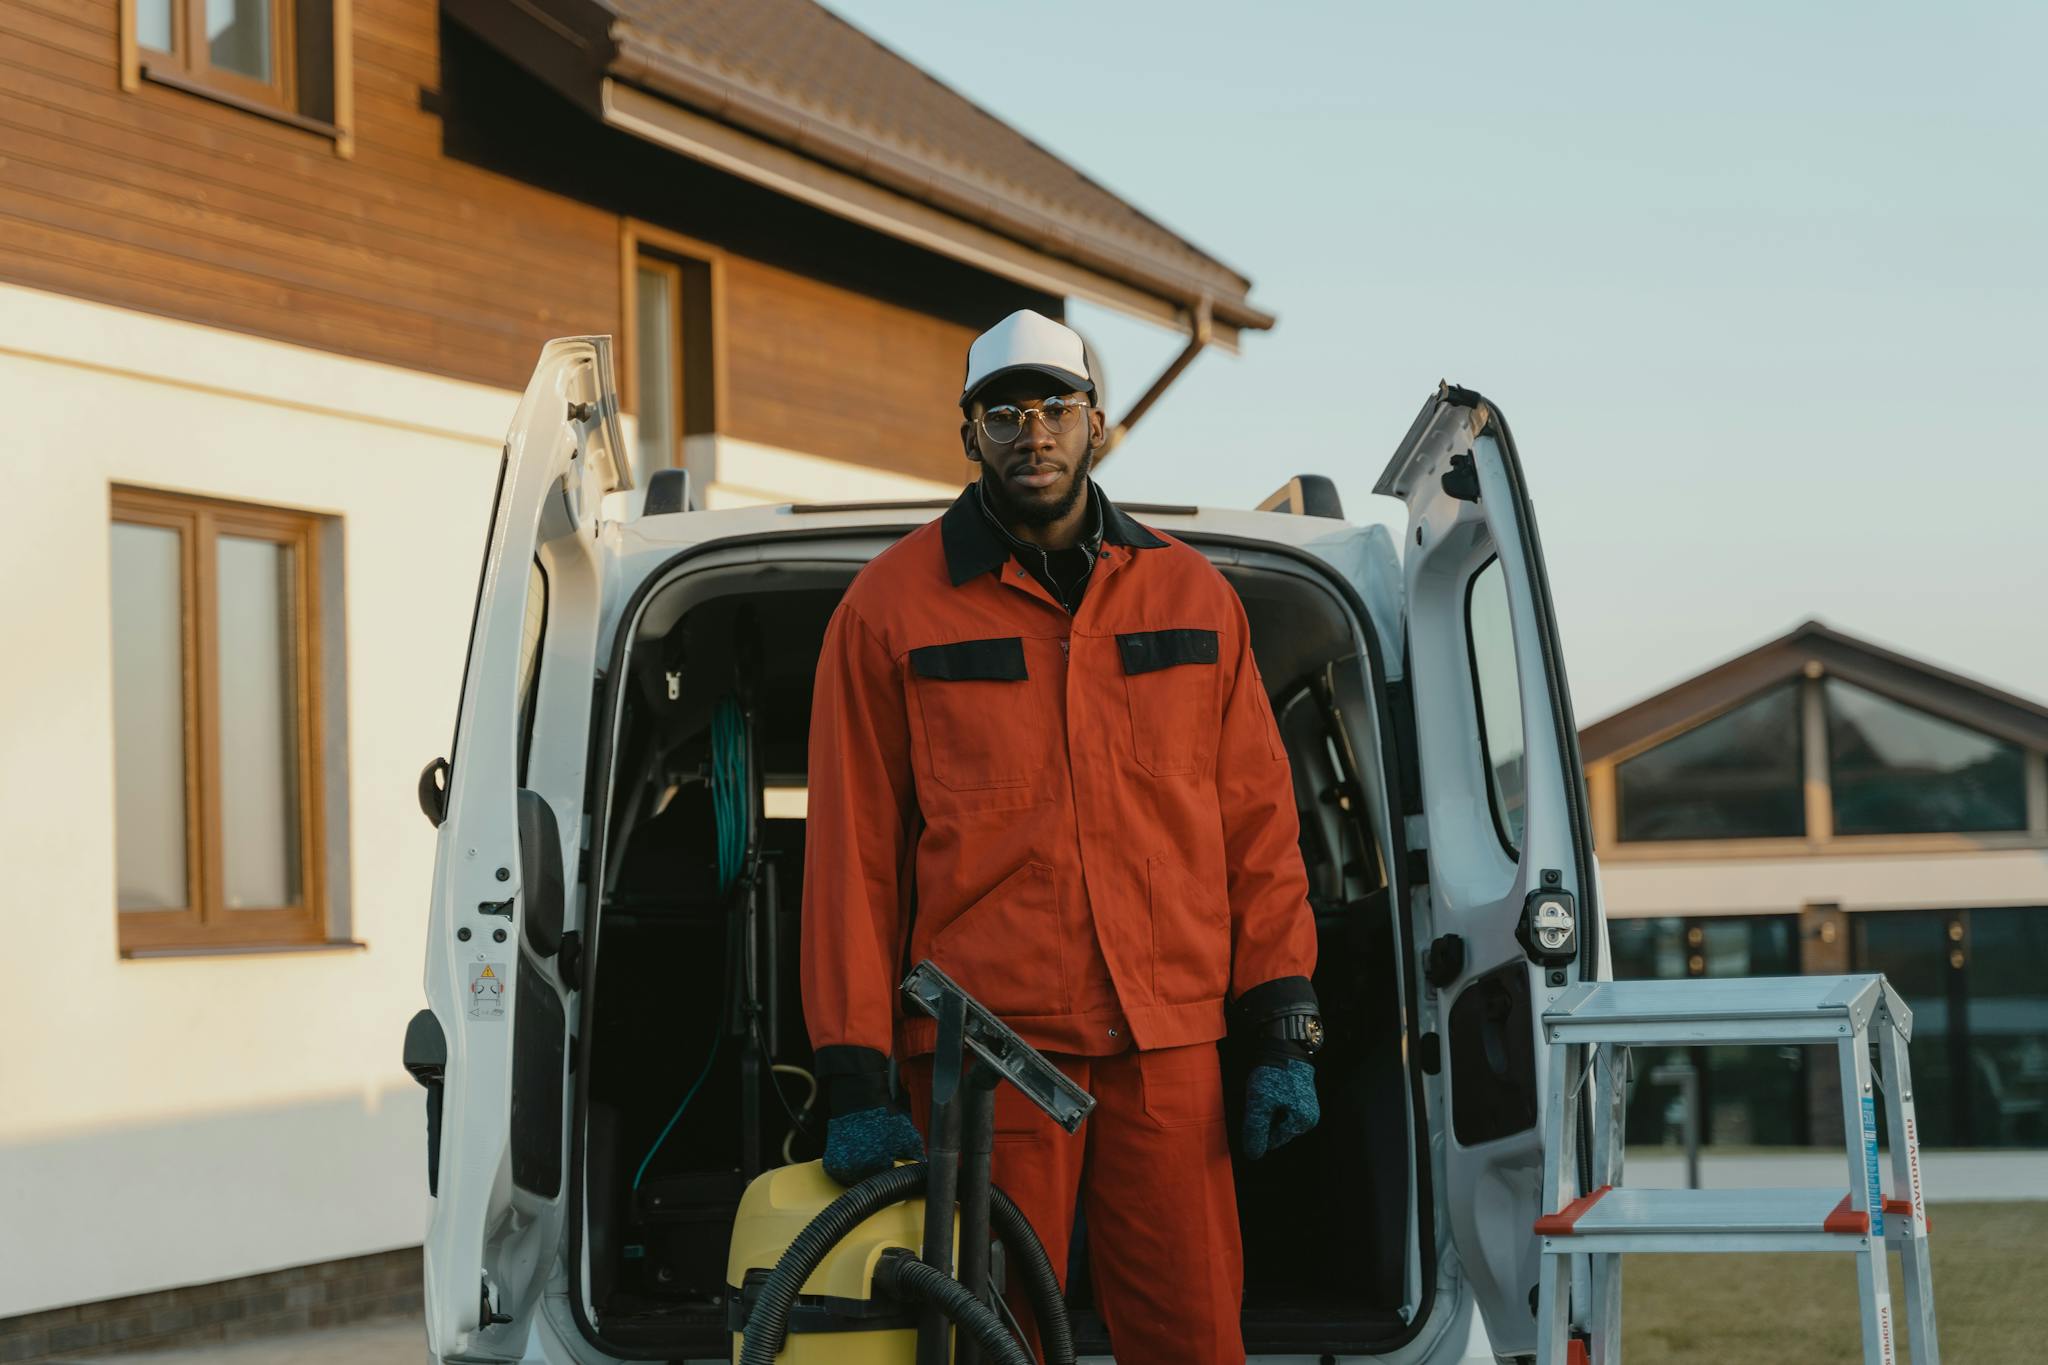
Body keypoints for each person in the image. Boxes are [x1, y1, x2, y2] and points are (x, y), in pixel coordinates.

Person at [800, 309, 1323, 1363]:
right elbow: (849, 862)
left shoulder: (1192, 596)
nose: (1030, 434)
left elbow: (1258, 830)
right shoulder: (888, 610)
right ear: (968, 435)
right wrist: (852, 1075)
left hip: (1166, 1044)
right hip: (985, 1053)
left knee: (1191, 1335)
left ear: (1099, 428)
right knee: (996, 1342)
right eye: (1003, 413)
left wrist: (1282, 1021)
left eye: (1055, 408)